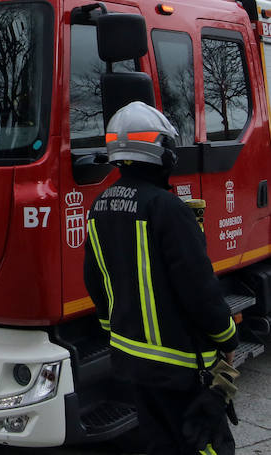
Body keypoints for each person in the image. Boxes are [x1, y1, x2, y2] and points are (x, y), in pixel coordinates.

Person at [83, 102, 238, 455]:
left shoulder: (101, 205)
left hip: (130, 361)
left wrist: (114, 327)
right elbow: (198, 288)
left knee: (159, 443)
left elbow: (96, 279)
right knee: (205, 444)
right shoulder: (168, 209)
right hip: (180, 367)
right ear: (161, 153)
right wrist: (228, 335)